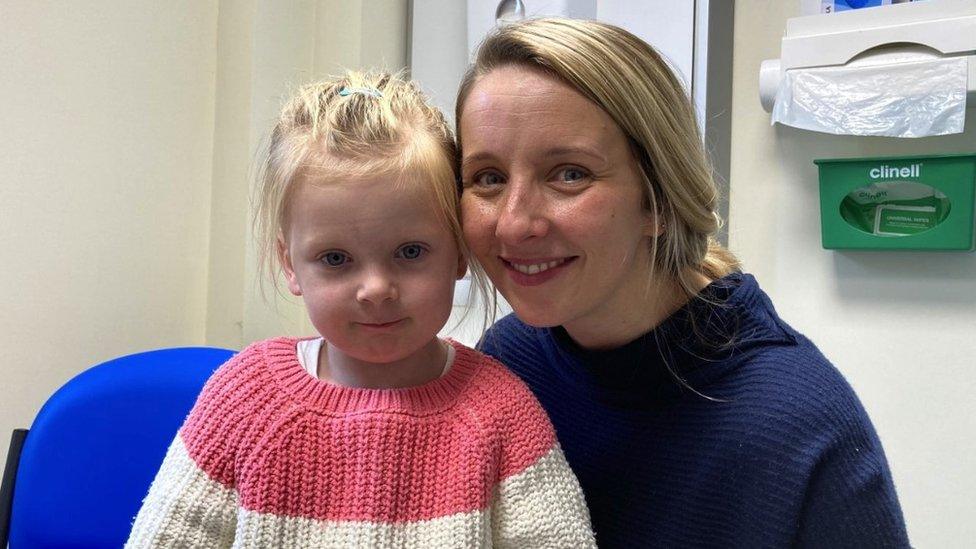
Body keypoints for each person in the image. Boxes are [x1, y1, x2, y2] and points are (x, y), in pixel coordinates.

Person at [457, 18, 910, 548]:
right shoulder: (510, 362)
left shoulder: (795, 425)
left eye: (569, 174)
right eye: (488, 178)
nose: (513, 223)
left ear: (659, 199)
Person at [126, 71, 595, 548]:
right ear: (290, 264)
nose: (375, 289)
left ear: (457, 253)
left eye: (410, 252)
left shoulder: (501, 412)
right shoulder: (244, 400)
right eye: (335, 259)